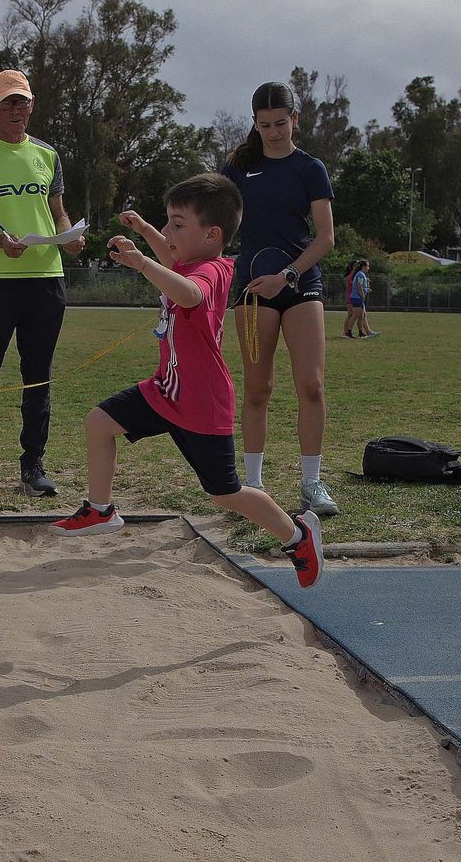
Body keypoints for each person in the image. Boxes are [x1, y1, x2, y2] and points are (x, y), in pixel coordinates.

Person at [50, 174, 324, 589]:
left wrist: (143, 262)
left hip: (201, 403)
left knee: (225, 493)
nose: (168, 232)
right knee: (99, 422)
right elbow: (173, 261)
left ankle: (299, 536)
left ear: (213, 234)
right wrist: (144, 234)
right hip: (166, 390)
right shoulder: (190, 261)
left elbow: (190, 294)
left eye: (178, 224)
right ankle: (101, 509)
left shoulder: (213, 270)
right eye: (168, 222)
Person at [0, 70, 85, 496]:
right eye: (7, 102)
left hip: (46, 280)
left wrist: (70, 236)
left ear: (32, 105)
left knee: (37, 378)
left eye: (21, 101)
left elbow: (58, 211)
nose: (15, 110)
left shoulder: (48, 154)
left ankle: (33, 466)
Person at [222, 81, 339, 517]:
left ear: (295, 119)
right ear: (254, 123)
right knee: (258, 388)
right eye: (264, 124)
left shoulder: (310, 168)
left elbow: (326, 238)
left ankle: (311, 483)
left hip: (299, 283)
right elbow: (214, 223)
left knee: (311, 383)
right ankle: (252, 487)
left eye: (281, 123)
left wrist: (288, 274)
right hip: (253, 289)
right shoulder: (237, 167)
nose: (273, 132)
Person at [351, 259, 376, 337]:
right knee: (356, 315)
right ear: (363, 267)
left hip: (358, 297)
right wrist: (362, 295)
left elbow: (361, 286)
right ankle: (349, 332)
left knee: (363, 315)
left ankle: (366, 332)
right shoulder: (361, 274)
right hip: (357, 297)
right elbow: (359, 286)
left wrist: (366, 289)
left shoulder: (360, 274)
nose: (368, 268)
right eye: (367, 266)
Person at [340, 260, 359, 339]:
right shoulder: (352, 275)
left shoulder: (354, 274)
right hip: (350, 296)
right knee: (350, 314)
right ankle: (345, 332)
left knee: (351, 314)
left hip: (351, 296)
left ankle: (347, 332)